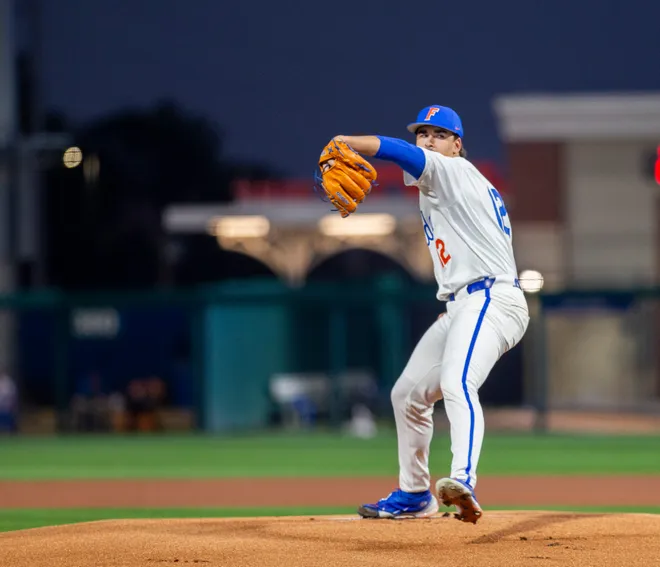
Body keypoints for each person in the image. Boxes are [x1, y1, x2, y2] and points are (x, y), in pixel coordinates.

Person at [323, 105, 529, 523]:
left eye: (439, 134)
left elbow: (399, 151)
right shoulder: (441, 187)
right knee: (408, 395)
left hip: (492, 298)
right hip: (463, 303)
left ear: (457, 145)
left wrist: (346, 142)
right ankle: (415, 494)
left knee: (457, 381)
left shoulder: (453, 171)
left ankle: (463, 480)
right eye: (424, 133)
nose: (428, 141)